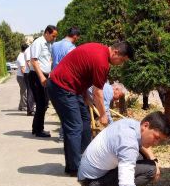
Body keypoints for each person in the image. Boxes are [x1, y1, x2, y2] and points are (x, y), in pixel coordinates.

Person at [47, 41, 134, 176]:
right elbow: (98, 92)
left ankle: (82, 159)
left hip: (73, 89)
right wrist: (103, 115)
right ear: (115, 52)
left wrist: (85, 94)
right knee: (74, 127)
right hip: (61, 87)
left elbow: (81, 71)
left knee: (85, 120)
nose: (121, 64)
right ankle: (75, 167)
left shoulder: (99, 50)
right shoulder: (102, 62)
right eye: (122, 60)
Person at [29, 25, 58, 137]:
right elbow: (34, 61)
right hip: (37, 76)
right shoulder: (38, 43)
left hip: (44, 75)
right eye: (53, 36)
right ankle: (38, 130)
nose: (54, 38)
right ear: (47, 33)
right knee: (42, 103)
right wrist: (41, 77)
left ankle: (36, 128)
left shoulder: (48, 44)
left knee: (44, 103)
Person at [52, 27, 80, 140]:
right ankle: (64, 134)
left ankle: (62, 134)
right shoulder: (72, 48)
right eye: (78, 38)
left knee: (61, 109)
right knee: (69, 110)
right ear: (75, 36)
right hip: (66, 80)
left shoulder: (54, 45)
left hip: (54, 79)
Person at [23, 43, 35, 116]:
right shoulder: (28, 50)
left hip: (30, 72)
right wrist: (33, 70)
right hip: (29, 73)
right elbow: (28, 62)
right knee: (30, 91)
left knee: (32, 91)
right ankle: (30, 110)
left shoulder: (31, 49)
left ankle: (31, 109)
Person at [15, 45, 28, 112]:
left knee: (23, 91)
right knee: (24, 92)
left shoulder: (22, 55)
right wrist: (27, 77)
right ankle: (24, 106)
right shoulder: (21, 57)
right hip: (22, 76)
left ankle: (20, 106)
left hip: (21, 76)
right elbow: (23, 69)